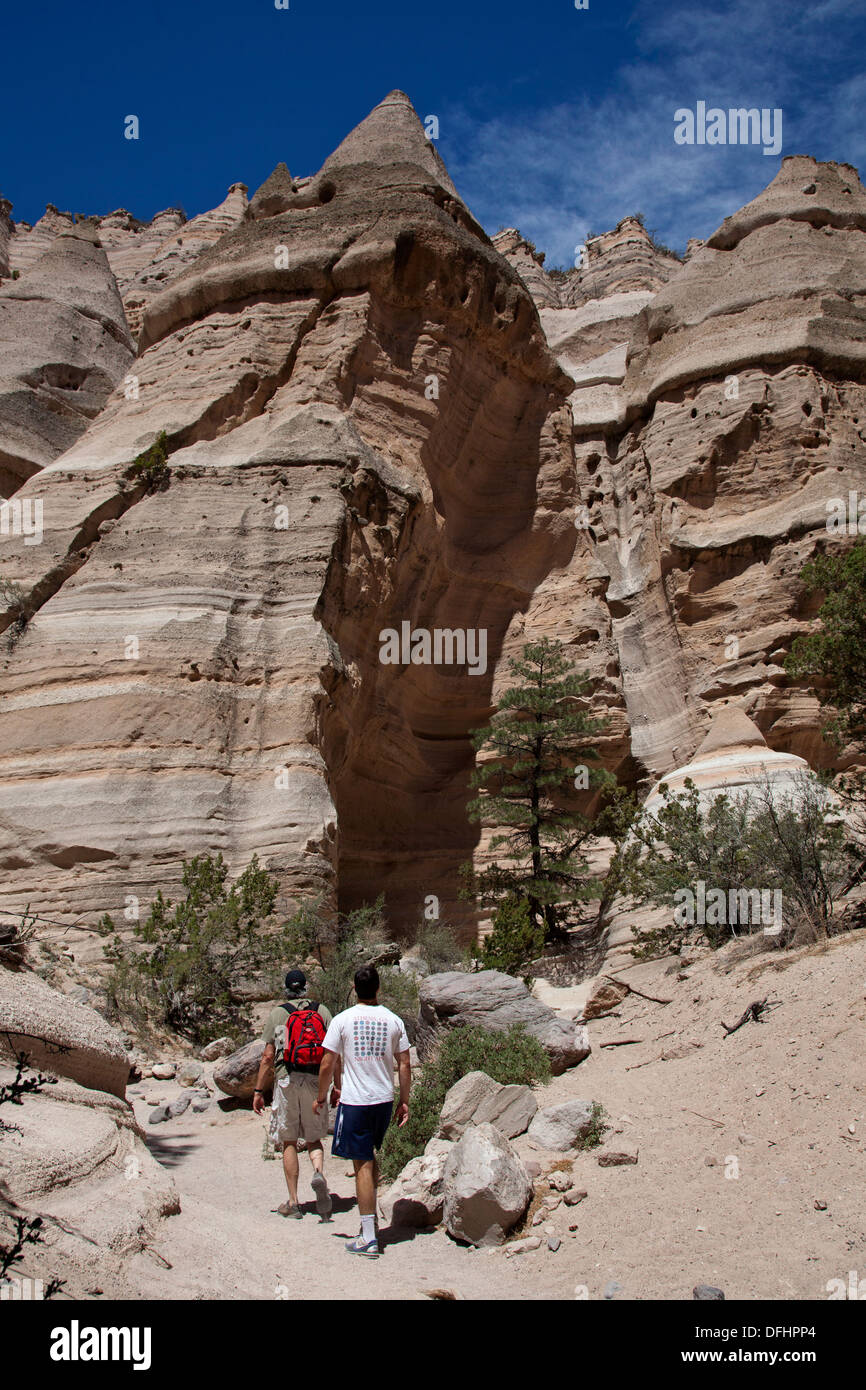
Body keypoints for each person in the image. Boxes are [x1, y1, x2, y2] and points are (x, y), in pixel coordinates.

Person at [313, 964, 411, 1258]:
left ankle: (369, 1237)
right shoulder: (393, 1021)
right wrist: (404, 1099)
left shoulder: (342, 1020)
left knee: (362, 1166)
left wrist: (321, 1095)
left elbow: (328, 1062)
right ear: (378, 988)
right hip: (383, 1100)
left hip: (356, 1102)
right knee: (370, 1159)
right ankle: (371, 1223)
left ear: (354, 988)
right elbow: (404, 1063)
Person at [253, 969, 333, 1221]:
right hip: (314, 1078)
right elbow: (332, 1053)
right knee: (313, 1138)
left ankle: (294, 1202)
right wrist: (336, 1083)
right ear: (306, 988)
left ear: (286, 989)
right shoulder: (321, 1011)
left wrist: (258, 1090)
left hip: (288, 1078)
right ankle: (318, 1172)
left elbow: (272, 1054)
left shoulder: (281, 1013)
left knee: (288, 1140)